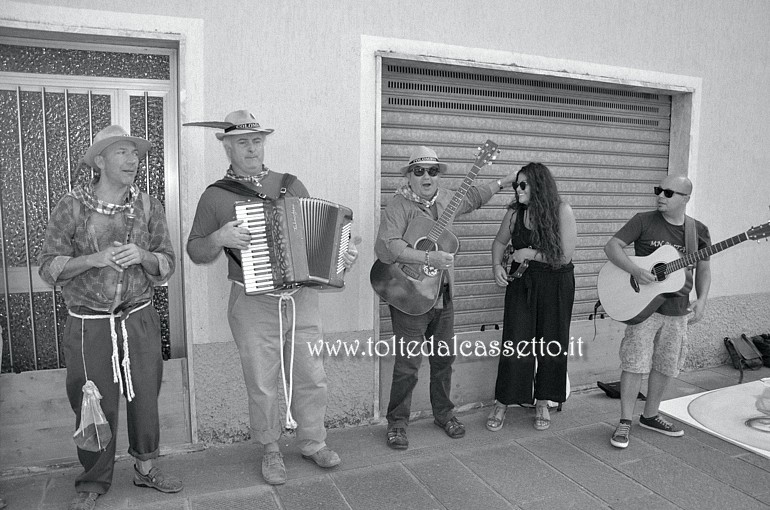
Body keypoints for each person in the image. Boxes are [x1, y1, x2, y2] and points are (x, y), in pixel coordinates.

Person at [186, 109, 358, 485]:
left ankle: (313, 442)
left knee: (312, 374)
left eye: (257, 140)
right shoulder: (216, 196)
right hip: (252, 300)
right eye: (243, 142)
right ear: (227, 147)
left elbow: (321, 239)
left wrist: (343, 253)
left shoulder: (291, 184)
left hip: (301, 298)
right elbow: (196, 250)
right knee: (262, 380)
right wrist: (219, 238)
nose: (251, 148)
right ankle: (270, 449)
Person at [39, 125, 181, 510]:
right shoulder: (72, 205)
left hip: (139, 318)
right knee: (92, 403)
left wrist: (144, 256)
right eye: (121, 152)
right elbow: (48, 266)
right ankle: (93, 481)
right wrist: (93, 259)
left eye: (134, 153)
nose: (132, 159)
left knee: (145, 397)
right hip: (89, 324)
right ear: (99, 161)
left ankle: (146, 468)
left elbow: (167, 263)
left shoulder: (149, 206)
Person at [374, 145, 518, 450]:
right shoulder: (398, 207)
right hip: (409, 296)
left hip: (444, 295)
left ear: (439, 175)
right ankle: (398, 422)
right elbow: (388, 247)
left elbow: (475, 196)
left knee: (443, 360)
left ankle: (443, 413)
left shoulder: (448, 199)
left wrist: (505, 181)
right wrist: (428, 259)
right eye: (419, 170)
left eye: (432, 170)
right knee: (407, 364)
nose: (426, 176)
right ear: (409, 175)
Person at [604, 175, 711, 449]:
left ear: (686, 198)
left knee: (665, 364)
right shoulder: (643, 220)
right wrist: (635, 270)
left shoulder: (697, 231)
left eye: (669, 192)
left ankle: (650, 415)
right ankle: (625, 421)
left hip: (677, 309)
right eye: (659, 190)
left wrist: (702, 299)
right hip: (643, 308)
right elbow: (612, 246)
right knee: (634, 362)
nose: (660, 196)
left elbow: (703, 268)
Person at [487, 163, 577, 432]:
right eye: (516, 185)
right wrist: (496, 267)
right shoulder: (515, 213)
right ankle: (503, 402)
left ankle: (543, 401)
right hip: (523, 282)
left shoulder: (562, 210)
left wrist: (528, 253)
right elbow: (499, 242)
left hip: (556, 282)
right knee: (515, 342)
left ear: (539, 186)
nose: (518, 189)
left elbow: (564, 256)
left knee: (552, 342)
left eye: (523, 185)